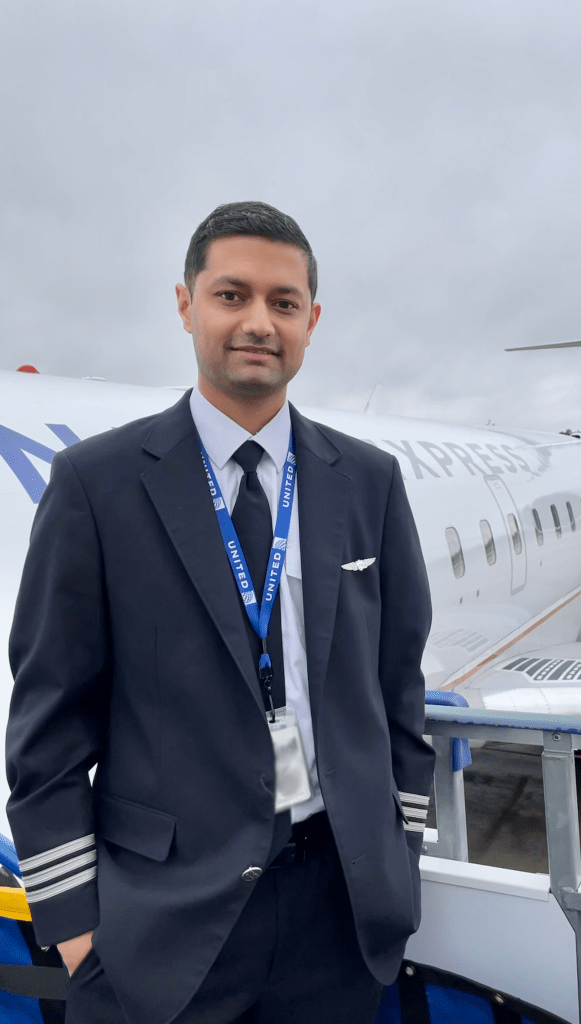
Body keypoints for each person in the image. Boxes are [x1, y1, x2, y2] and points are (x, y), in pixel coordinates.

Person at [6, 201, 435, 1024]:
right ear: (186, 305)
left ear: (311, 322)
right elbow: (47, 724)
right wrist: (75, 930)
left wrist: (398, 861)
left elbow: (399, 692)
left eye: (283, 302)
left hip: (336, 911)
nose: (258, 323)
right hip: (157, 927)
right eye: (232, 295)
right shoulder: (97, 485)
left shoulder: (368, 482)